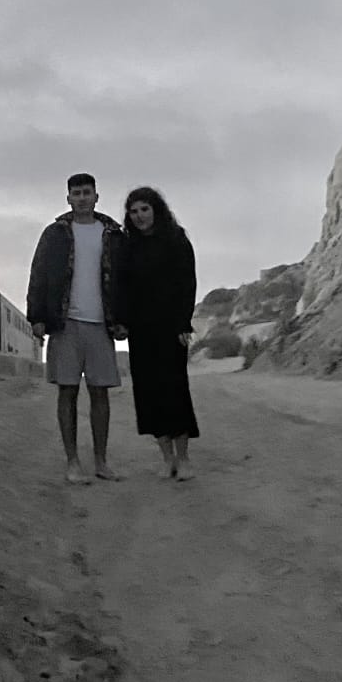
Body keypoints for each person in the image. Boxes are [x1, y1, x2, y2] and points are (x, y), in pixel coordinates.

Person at [27, 173, 127, 484]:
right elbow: (38, 273)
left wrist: (124, 319)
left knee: (100, 395)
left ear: (97, 197)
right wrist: (37, 317)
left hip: (101, 324)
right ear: (68, 198)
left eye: (87, 193)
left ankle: (100, 461)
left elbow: (125, 281)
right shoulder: (55, 233)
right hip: (64, 323)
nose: (82, 198)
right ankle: (72, 462)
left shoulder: (113, 234)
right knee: (67, 392)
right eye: (76, 193)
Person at [120, 186, 199, 480]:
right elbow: (123, 289)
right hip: (141, 331)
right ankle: (166, 459)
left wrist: (183, 324)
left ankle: (184, 458)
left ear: (157, 209)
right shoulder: (128, 247)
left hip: (171, 328)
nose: (140, 216)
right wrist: (122, 321)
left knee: (175, 390)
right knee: (148, 394)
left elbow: (187, 285)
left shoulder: (176, 240)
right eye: (134, 211)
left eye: (145, 209)